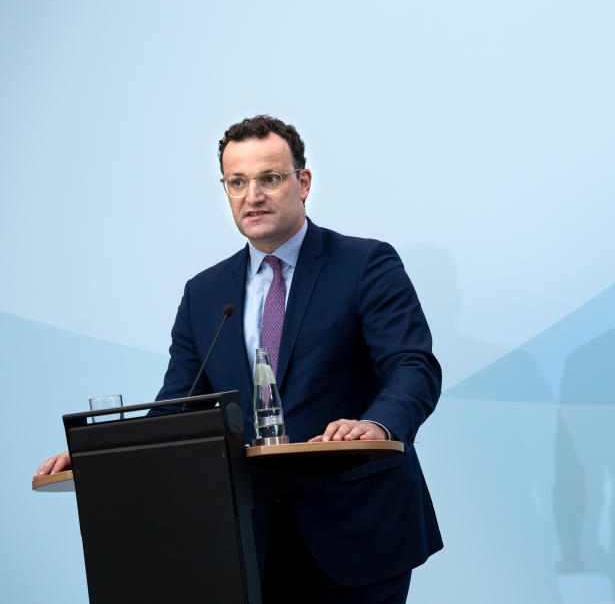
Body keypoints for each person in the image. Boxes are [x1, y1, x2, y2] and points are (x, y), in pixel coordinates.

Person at [35, 115, 443, 602]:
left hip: (358, 525)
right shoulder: (204, 294)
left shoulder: (365, 264)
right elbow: (177, 406)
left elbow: (412, 367)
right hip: (248, 538)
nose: (254, 195)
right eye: (238, 182)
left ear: (303, 182)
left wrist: (378, 425)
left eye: (270, 178)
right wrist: (102, 458)